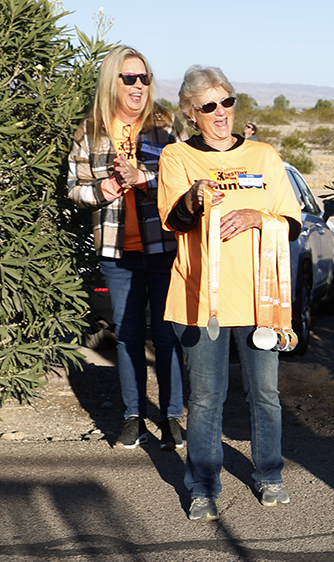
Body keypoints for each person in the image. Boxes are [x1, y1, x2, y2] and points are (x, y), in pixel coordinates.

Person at [157, 66, 301, 522]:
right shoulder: (176, 157)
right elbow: (173, 221)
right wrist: (195, 198)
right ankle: (202, 484)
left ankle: (270, 473)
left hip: (261, 299)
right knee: (204, 398)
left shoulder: (264, 155)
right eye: (209, 106)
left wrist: (260, 219)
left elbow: (292, 221)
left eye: (228, 101)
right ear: (191, 113)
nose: (222, 113)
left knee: (265, 393)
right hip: (201, 300)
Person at [67, 45, 188, 450]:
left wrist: (143, 178)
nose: (139, 86)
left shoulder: (164, 128)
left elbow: (185, 181)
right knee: (129, 336)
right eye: (130, 78)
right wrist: (103, 189)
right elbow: (73, 188)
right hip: (117, 252)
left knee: (168, 335)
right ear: (112, 82)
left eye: (145, 78)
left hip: (163, 246)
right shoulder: (90, 130)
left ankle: (172, 416)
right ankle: (133, 416)